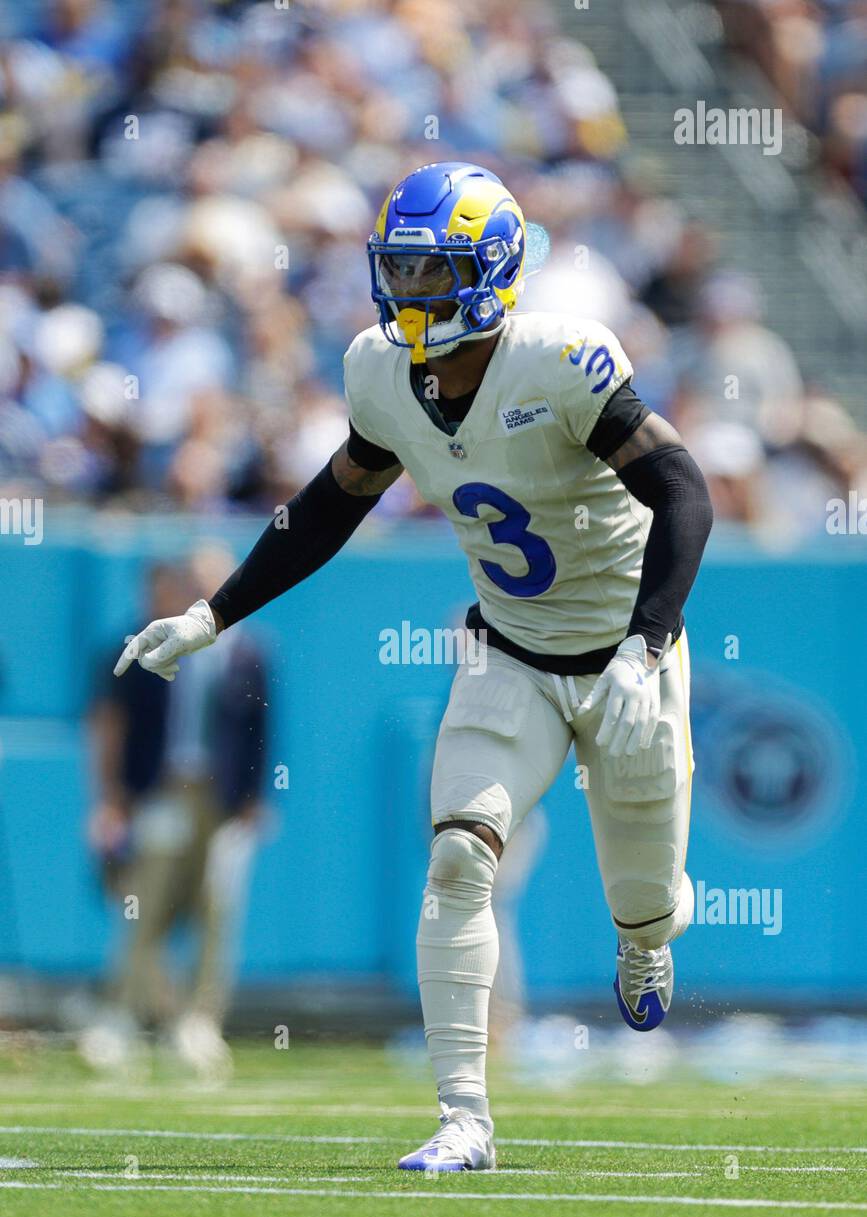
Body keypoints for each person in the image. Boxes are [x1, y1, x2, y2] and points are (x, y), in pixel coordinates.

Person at [115, 162, 713, 1166]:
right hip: (506, 653)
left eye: (432, 268)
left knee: (643, 896)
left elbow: (684, 489)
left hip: (626, 654)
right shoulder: (382, 373)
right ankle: (464, 1117)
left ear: (490, 269)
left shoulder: (560, 359)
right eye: (398, 266)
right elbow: (328, 505)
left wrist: (647, 641)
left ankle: (648, 933)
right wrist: (213, 613)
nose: (409, 290)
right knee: (455, 859)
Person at [88, 547, 267, 1079]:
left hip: (221, 799)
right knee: (146, 905)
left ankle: (200, 1021)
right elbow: (114, 727)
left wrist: (254, 801)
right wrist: (113, 798)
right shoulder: (155, 643)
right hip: (165, 791)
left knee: (217, 911)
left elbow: (260, 730)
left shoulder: (248, 653)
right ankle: (128, 1013)